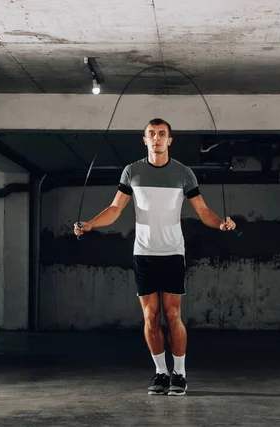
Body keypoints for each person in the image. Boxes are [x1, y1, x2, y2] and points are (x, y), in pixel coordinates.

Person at [74, 118, 236, 396]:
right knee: (151, 317)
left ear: (170, 140)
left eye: (162, 134)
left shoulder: (184, 174)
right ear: (145, 140)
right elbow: (115, 209)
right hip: (144, 253)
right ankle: (161, 372)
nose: (157, 138)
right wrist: (89, 224)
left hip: (173, 252)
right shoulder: (131, 172)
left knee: (173, 315)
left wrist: (221, 223)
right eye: (152, 134)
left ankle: (180, 374)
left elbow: (202, 210)